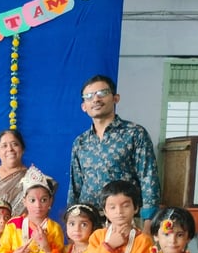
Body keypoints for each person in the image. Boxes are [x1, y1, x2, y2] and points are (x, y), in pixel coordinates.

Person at [68, 75, 160, 233]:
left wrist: (148, 222)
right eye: (89, 96)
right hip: (89, 222)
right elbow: (75, 185)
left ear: (115, 98)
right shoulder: (81, 142)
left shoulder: (134, 133)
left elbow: (148, 178)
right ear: (84, 106)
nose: (96, 99)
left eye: (102, 93)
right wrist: (72, 220)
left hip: (125, 220)